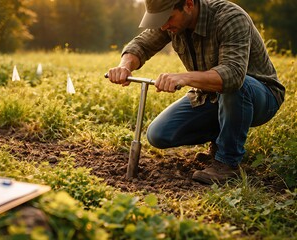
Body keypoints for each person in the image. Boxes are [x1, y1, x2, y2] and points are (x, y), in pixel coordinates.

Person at [106, 0, 285, 184]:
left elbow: (233, 75)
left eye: (168, 18)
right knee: (159, 134)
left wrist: (184, 78)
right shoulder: (170, 23)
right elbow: (141, 45)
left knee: (238, 87)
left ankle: (228, 162)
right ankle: (222, 137)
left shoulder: (230, 17)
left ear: (189, 4)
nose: (164, 26)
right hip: (211, 95)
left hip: (260, 95)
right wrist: (124, 67)